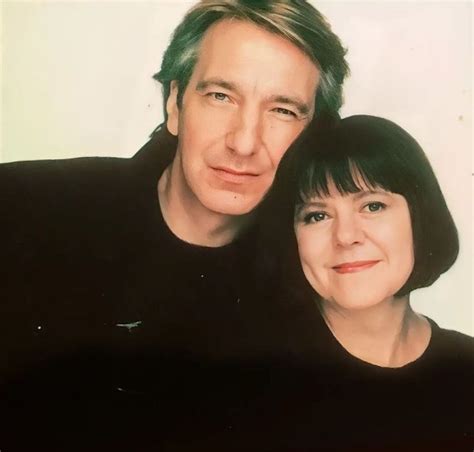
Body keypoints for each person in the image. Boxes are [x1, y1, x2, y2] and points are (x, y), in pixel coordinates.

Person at [0, 1, 349, 450]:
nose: (244, 142)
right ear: (175, 104)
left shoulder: (318, 284)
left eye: (282, 110)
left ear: (315, 133)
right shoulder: (19, 206)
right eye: (220, 96)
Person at [257, 115, 473, 449]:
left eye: (372, 206)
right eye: (317, 215)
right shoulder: (252, 374)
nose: (345, 237)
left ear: (420, 217)